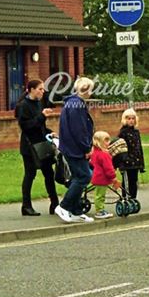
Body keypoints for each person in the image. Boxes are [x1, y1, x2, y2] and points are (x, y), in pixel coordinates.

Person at [14, 79, 59, 216]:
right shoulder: (23, 106)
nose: (42, 91)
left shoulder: (39, 103)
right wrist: (42, 116)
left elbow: (40, 126)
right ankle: (26, 206)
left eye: (43, 89)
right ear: (31, 90)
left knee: (49, 174)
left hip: (42, 144)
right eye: (40, 89)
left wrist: (49, 131)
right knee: (30, 174)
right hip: (29, 146)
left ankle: (55, 203)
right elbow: (26, 126)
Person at [56, 77, 95, 223]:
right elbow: (79, 130)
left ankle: (76, 210)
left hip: (71, 147)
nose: (91, 92)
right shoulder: (76, 105)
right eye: (90, 89)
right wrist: (86, 147)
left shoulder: (73, 103)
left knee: (79, 177)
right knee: (84, 176)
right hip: (75, 149)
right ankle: (64, 206)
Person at [115, 108, 146, 202]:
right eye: (128, 118)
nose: (131, 121)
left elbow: (139, 147)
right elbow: (120, 148)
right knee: (127, 181)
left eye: (133, 118)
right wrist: (121, 163)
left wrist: (141, 163)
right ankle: (125, 198)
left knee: (134, 181)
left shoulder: (136, 132)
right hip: (126, 161)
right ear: (125, 119)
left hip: (135, 161)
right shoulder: (123, 133)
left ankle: (133, 198)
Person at [89, 131, 118, 219]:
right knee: (100, 196)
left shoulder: (95, 153)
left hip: (97, 176)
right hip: (102, 178)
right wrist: (113, 177)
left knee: (98, 194)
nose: (108, 143)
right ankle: (99, 211)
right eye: (106, 140)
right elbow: (108, 168)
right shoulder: (104, 155)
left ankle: (100, 210)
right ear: (99, 142)